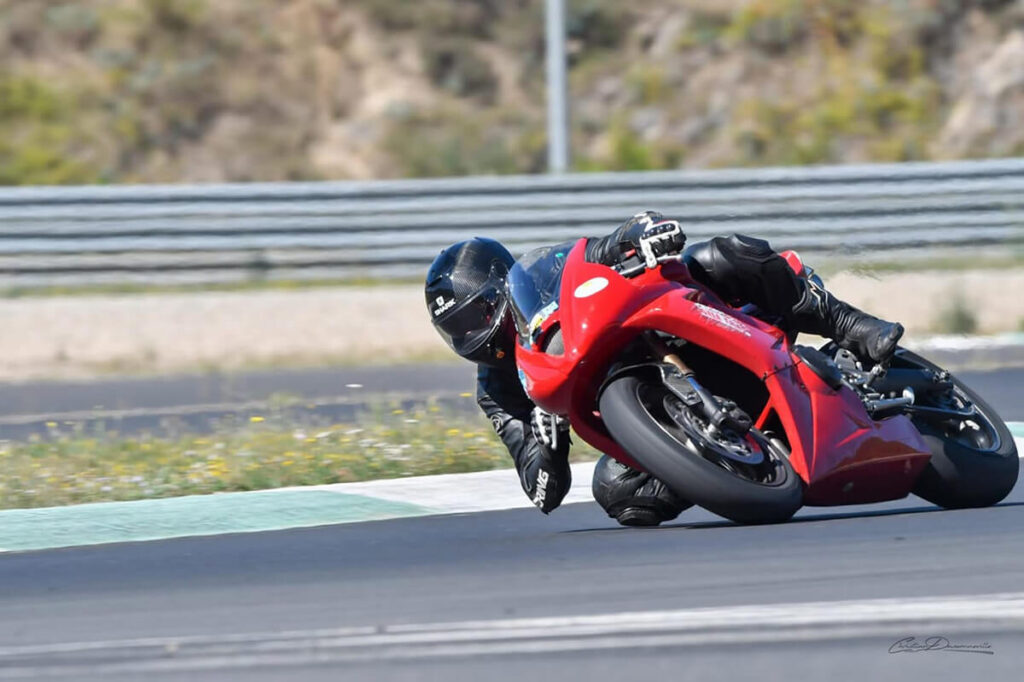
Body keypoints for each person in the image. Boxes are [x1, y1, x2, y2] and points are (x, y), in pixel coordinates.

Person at [423, 211, 903, 527]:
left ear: (502, 290)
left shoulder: (545, 276)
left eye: (477, 315)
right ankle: (725, 471)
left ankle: (849, 323)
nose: (472, 336)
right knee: (616, 491)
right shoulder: (497, 389)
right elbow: (543, 492)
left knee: (720, 254)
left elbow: (597, 251)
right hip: (648, 411)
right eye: (456, 329)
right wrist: (547, 445)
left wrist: (639, 234)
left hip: (674, 327)